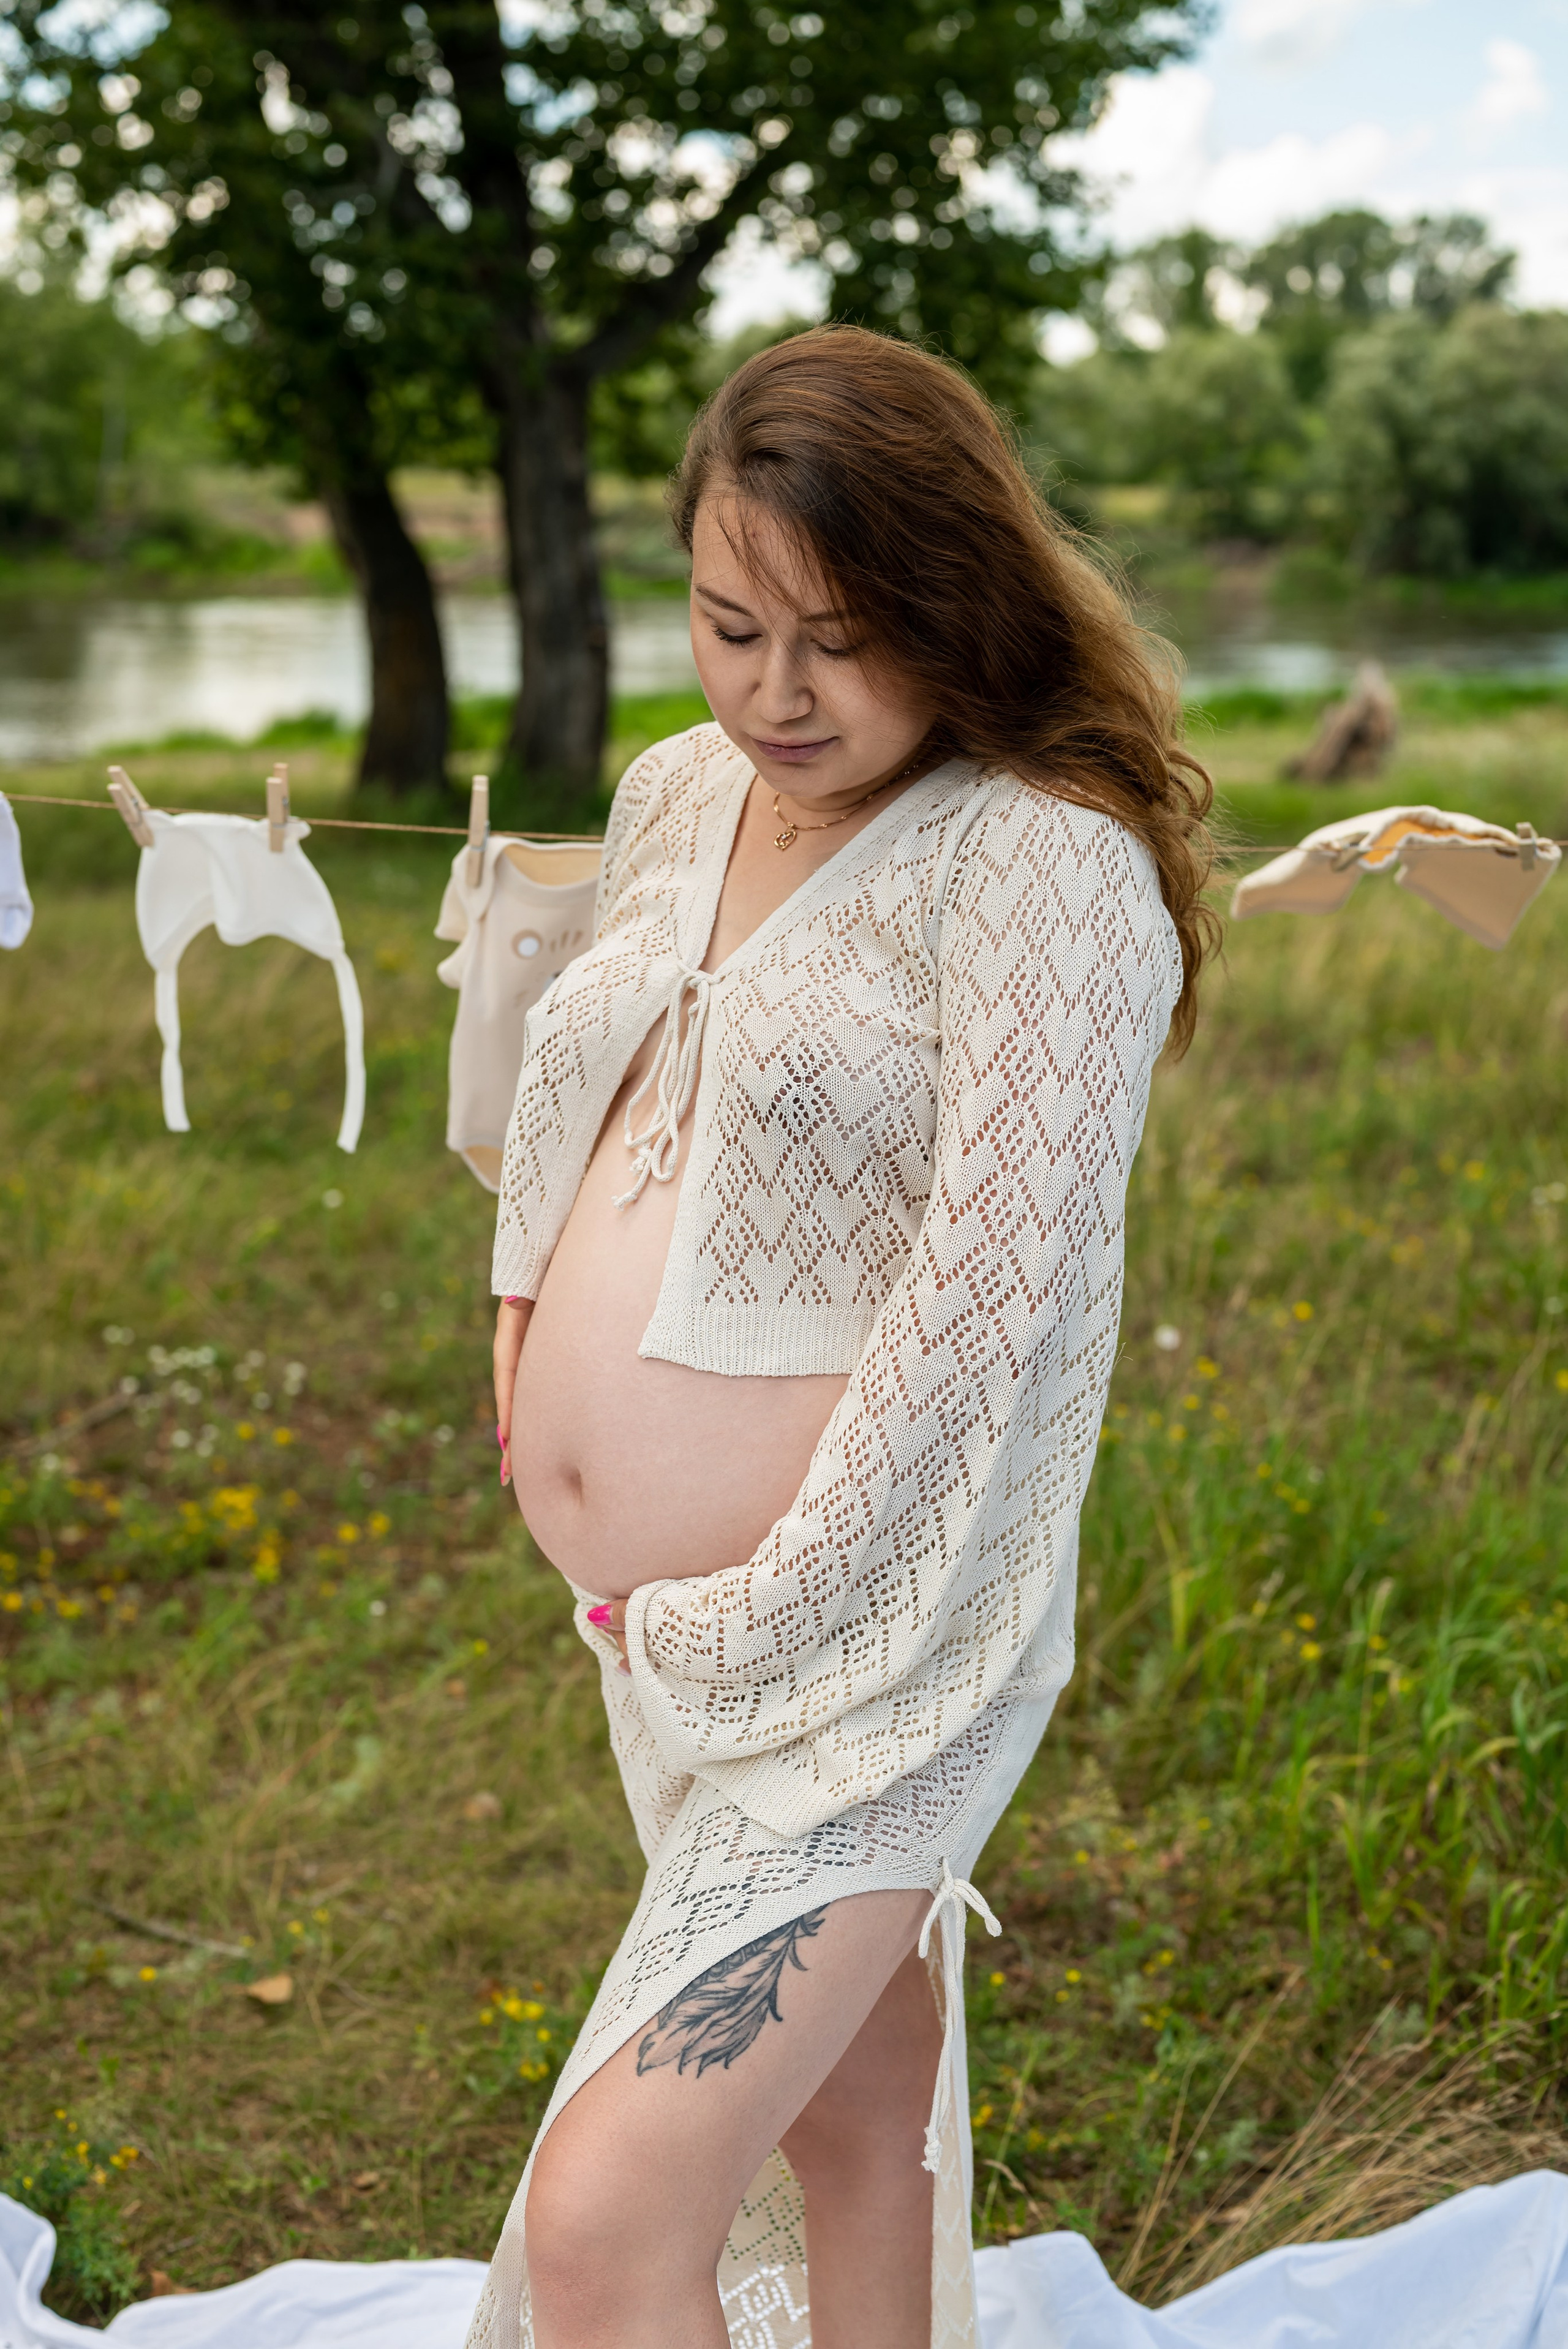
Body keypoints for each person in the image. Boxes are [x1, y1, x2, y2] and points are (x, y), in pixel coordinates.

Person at [467, 325, 1213, 2349]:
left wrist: (763, 1613)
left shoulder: (1042, 862)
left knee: (613, 2218)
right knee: (858, 2112)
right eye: (729, 624)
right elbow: (579, 1092)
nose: (776, 696)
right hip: (664, 1648)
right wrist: (522, 1323)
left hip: (879, 1650)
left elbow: (1001, 1313)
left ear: (960, 611)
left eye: (845, 640)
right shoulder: (672, 790)